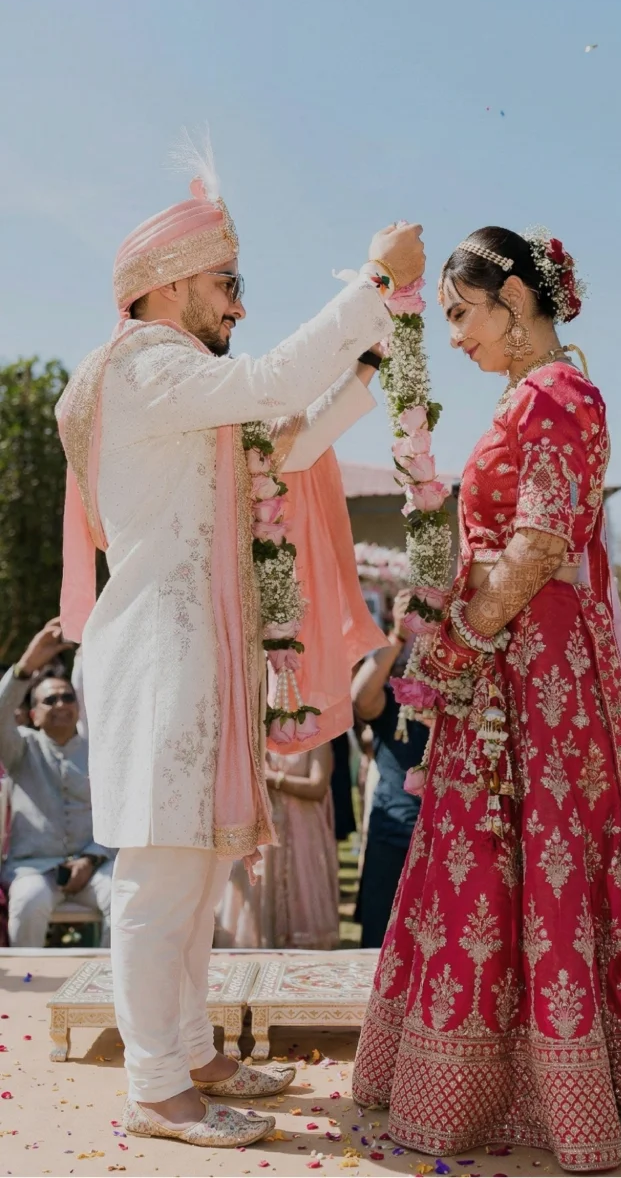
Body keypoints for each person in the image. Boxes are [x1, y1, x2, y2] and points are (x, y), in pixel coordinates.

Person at [55, 154, 424, 1149]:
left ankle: (190, 1053)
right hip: (160, 656)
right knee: (162, 880)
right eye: (229, 283)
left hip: (196, 655)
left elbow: (286, 444)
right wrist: (372, 280)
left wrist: (367, 363)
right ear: (168, 282)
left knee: (198, 876)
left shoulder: (184, 391)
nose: (240, 304)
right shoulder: (143, 367)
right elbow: (268, 383)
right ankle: (155, 1087)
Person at [353, 226, 621, 1170]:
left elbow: (541, 541)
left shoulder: (556, 393)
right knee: (497, 859)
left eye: (463, 314)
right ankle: (509, 1083)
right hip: (517, 661)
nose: (455, 336)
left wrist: (462, 643)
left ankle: (557, 1092)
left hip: (538, 664)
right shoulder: (535, 394)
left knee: (538, 854)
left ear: (514, 299)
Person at [0, 620, 113, 946]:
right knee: (28, 900)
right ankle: (27, 976)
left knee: (125, 898)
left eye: (67, 697)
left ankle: (109, 978)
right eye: (50, 700)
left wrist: (90, 859)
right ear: (33, 715)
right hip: (34, 868)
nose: (61, 704)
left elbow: (116, 815)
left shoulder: (100, 753)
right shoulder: (21, 748)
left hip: (95, 867)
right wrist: (24, 668)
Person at [351, 591, 426, 947]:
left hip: (444, 839)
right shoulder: (392, 695)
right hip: (392, 835)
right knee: (378, 947)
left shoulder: (458, 695)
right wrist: (397, 634)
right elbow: (360, 699)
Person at [215, 743, 338, 949]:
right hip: (262, 827)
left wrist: (273, 779)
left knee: (300, 892)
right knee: (258, 893)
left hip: (302, 831)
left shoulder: (315, 733)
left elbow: (318, 787)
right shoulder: (257, 730)